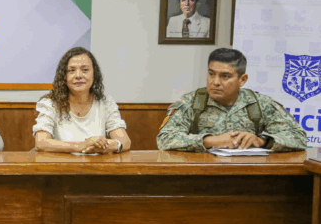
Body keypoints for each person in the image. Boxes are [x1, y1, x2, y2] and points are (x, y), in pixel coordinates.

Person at [157, 48, 306, 152]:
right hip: (201, 174)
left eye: (225, 76)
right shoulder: (190, 102)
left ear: (242, 80)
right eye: (211, 74)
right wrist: (211, 141)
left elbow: (299, 138)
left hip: (250, 175)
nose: (215, 82)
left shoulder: (260, 103)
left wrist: (262, 141)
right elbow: (164, 139)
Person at [33, 47, 131, 154]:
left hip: (97, 164)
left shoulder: (105, 103)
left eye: (85, 70)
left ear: (94, 74)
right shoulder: (50, 104)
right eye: (71, 70)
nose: (78, 76)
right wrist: (81, 145)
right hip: (62, 164)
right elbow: (41, 143)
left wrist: (108, 146)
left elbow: (125, 141)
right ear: (64, 76)